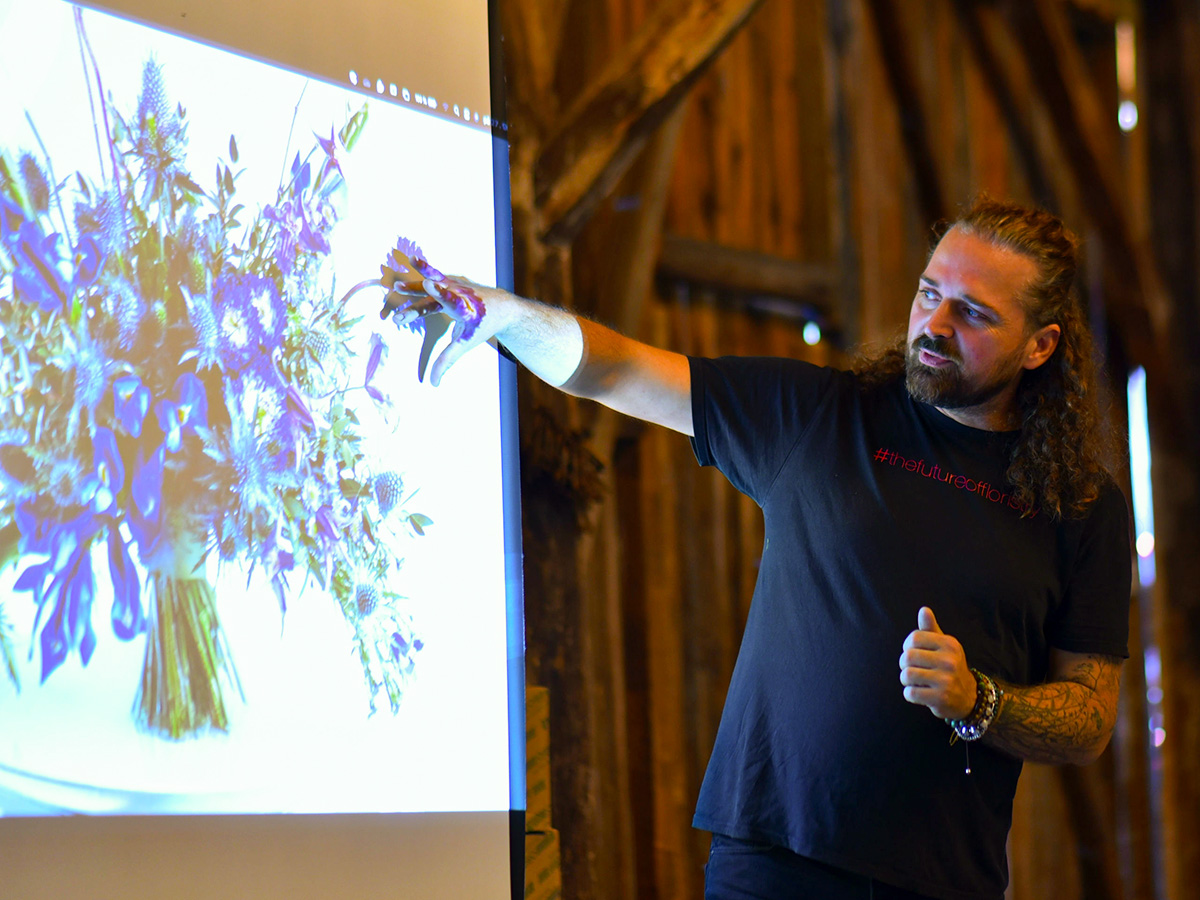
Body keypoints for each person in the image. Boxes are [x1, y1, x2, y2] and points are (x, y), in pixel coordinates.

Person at [386, 197, 1131, 900]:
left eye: (971, 313)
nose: (933, 323)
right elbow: (617, 369)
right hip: (772, 865)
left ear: (1041, 345)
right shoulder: (818, 419)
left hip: (942, 883)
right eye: (927, 292)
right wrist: (507, 316)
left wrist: (981, 701)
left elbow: (1090, 718)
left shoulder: (1082, 508)